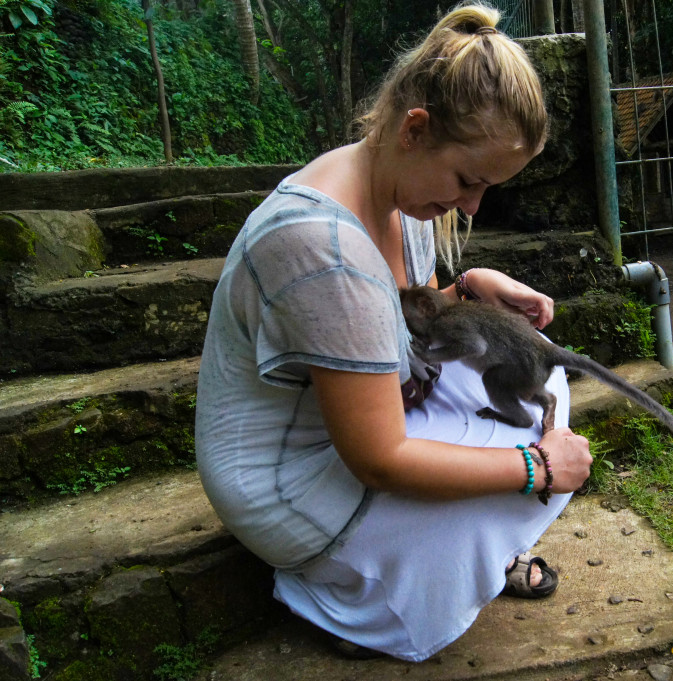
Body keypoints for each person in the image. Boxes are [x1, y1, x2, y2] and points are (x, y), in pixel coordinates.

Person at [194, 2, 593, 663]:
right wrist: (538, 470)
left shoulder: (400, 191)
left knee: (541, 379)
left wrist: (466, 289)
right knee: (530, 448)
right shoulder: (321, 245)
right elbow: (379, 457)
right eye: (469, 181)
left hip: (351, 422)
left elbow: (400, 313)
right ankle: (344, 603)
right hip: (285, 484)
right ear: (415, 129)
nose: (471, 206)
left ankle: (474, 553)